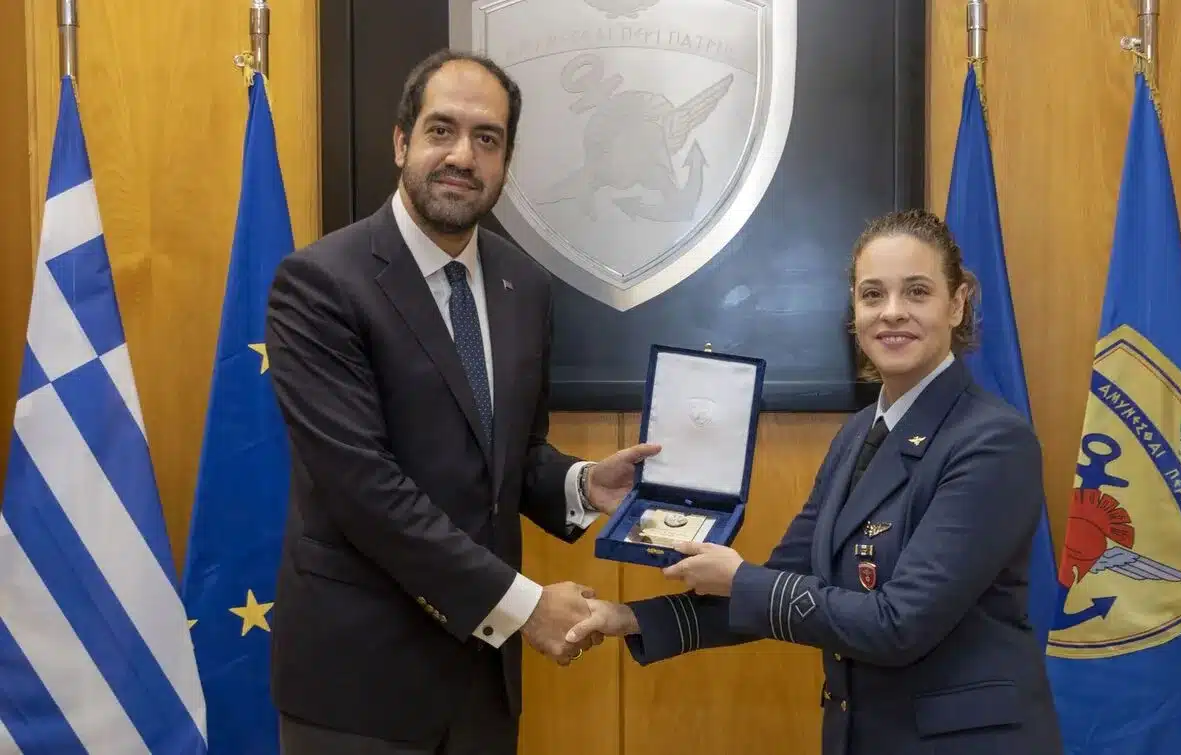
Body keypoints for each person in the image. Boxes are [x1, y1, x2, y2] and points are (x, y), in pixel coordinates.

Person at [263, 49, 659, 755]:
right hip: (357, 689)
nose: (462, 156)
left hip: (482, 687)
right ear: (401, 142)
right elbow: (364, 490)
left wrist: (582, 484)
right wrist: (527, 607)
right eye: (441, 130)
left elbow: (509, 452)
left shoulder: (524, 286)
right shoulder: (320, 284)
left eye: (487, 138)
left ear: (506, 161)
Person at [566, 209, 1064, 755]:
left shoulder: (991, 441)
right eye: (872, 295)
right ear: (854, 308)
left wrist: (741, 581)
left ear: (957, 303)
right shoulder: (857, 435)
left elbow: (898, 624)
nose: (891, 312)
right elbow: (787, 579)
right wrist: (630, 617)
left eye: (917, 292)